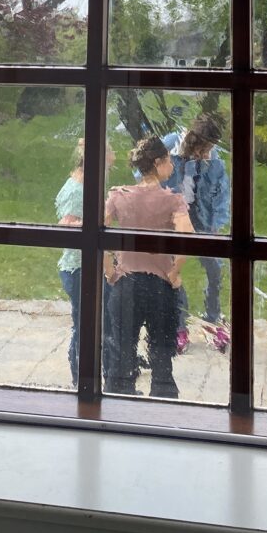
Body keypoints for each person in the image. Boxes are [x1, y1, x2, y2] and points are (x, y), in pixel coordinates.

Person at [103, 136, 194, 399]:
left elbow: (95, 231)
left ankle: (118, 405)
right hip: (159, 287)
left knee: (121, 353)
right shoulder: (173, 201)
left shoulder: (119, 196)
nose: (172, 165)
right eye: (168, 160)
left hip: (126, 284)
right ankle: (161, 409)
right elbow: (188, 236)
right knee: (162, 354)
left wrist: (110, 269)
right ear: (157, 163)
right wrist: (175, 272)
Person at [165, 114, 230, 348]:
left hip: (202, 218)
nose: (209, 152)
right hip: (172, 220)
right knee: (173, 271)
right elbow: (143, 173)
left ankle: (212, 321)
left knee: (214, 269)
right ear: (195, 141)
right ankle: (179, 326)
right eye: (207, 147)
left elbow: (222, 195)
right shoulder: (170, 144)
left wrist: (216, 225)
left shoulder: (215, 161)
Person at [55, 139, 115, 385]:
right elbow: (65, 227)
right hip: (79, 269)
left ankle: (104, 376)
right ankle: (81, 380)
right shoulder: (76, 189)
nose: (114, 155)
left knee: (98, 323)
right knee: (85, 326)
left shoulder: (88, 184)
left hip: (89, 265)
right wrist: (97, 223)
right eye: (110, 151)